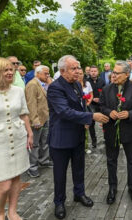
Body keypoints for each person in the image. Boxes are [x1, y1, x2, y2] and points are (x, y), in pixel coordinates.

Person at [47, 55, 109, 219]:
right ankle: (59, 202)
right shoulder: (55, 88)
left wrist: (87, 118)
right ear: (62, 71)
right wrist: (91, 117)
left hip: (78, 135)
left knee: (79, 168)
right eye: (73, 68)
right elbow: (64, 111)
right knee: (60, 173)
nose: (78, 71)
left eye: (78, 68)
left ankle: (79, 193)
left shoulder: (75, 84)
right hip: (61, 138)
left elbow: (81, 105)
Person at [0, 57, 33, 220]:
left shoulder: (18, 90)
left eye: (11, 69)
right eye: (6, 70)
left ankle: (12, 212)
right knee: (4, 185)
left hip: (18, 138)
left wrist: (29, 133)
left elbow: (24, 113)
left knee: (17, 177)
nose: (11, 72)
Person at [99, 60, 132, 204]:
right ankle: (112, 188)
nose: (114, 75)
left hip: (130, 132)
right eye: (113, 72)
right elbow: (101, 106)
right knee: (111, 161)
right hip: (111, 131)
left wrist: (130, 114)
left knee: (131, 160)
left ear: (126, 74)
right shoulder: (107, 89)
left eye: (117, 73)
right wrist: (109, 112)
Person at [25, 65, 52, 178]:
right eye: (46, 73)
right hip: (37, 120)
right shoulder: (32, 85)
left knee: (45, 141)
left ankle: (44, 160)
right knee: (34, 144)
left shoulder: (42, 84)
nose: (48, 75)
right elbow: (31, 104)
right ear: (38, 73)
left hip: (45, 118)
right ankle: (32, 167)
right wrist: (35, 120)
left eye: (48, 73)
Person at [87, 66, 105, 149]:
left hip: (101, 104)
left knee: (104, 121)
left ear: (98, 72)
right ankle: (94, 141)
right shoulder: (87, 82)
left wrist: (100, 98)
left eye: (95, 71)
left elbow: (105, 91)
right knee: (91, 123)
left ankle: (106, 137)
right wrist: (92, 98)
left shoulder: (102, 81)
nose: (93, 72)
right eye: (92, 71)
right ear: (89, 72)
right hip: (91, 104)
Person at [78, 68, 94, 153]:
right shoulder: (73, 84)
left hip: (86, 106)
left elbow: (91, 94)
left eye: (81, 73)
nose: (80, 75)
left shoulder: (87, 83)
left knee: (87, 126)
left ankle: (86, 145)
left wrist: (88, 102)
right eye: (78, 73)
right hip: (78, 108)